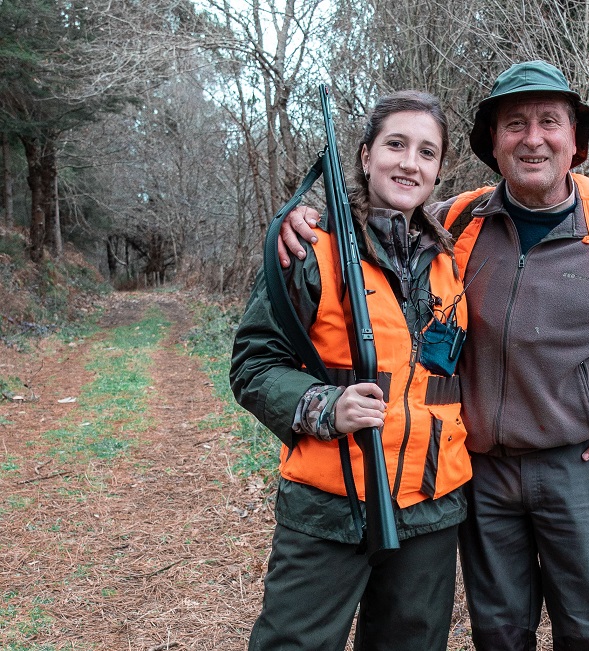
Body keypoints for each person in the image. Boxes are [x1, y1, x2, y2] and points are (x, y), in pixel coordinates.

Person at [279, 62, 589, 651]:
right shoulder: (457, 221)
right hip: (484, 473)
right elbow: (382, 218)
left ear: (576, 142)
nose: (533, 137)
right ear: (492, 145)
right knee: (499, 634)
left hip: (586, 466)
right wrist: (305, 219)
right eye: (514, 124)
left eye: (551, 122)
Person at [230, 90, 472, 651]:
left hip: (430, 506)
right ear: (365, 157)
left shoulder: (452, 261)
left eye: (427, 152)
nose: (410, 162)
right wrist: (322, 406)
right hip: (330, 503)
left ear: (439, 172)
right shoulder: (311, 247)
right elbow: (253, 363)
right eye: (395, 145)